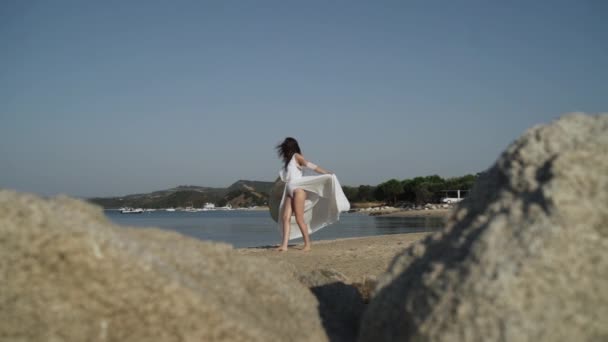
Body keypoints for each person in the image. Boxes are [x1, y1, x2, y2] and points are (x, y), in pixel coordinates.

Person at [275, 137, 350, 251]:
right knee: (285, 217)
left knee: (299, 218)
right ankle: (284, 245)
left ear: (290, 146)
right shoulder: (288, 160)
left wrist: (326, 173)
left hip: (298, 190)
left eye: (286, 145)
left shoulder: (297, 156)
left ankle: (307, 244)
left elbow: (312, 166)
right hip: (289, 191)